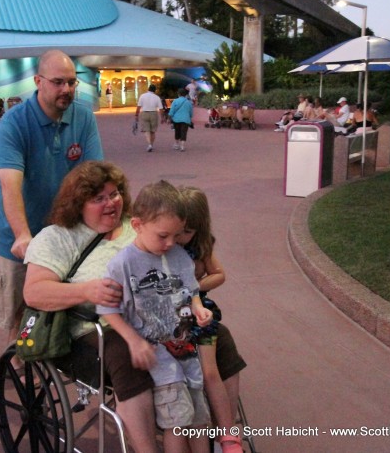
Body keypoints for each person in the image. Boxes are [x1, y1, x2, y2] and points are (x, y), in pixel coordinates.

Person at [23, 161, 247, 453]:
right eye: (99, 198)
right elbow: (34, 292)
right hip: (98, 328)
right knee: (130, 354)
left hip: (161, 318)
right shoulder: (57, 237)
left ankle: (221, 436)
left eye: (114, 194)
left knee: (220, 337)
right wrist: (86, 290)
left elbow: (184, 248)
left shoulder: (138, 223)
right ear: (78, 204)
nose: (111, 203)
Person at [0, 49, 104, 369]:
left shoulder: (82, 118)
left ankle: (24, 363)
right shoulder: (14, 123)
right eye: (58, 83)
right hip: (12, 231)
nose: (67, 90)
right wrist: (22, 235)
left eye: (72, 82)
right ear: (38, 82)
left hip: (59, 232)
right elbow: (10, 184)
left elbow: (95, 175)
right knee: (7, 301)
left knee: (35, 307)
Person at [98, 180, 212, 453]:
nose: (171, 243)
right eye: (163, 236)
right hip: (159, 358)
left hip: (186, 349)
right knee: (177, 423)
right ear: (137, 225)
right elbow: (107, 310)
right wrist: (133, 341)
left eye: (176, 235)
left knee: (200, 420)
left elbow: (191, 290)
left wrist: (198, 307)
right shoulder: (122, 264)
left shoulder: (178, 255)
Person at [177, 186, 244, 453]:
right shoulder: (165, 242)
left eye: (187, 231)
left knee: (209, 372)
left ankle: (226, 437)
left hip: (199, 313)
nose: (180, 237)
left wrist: (196, 286)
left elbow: (220, 274)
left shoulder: (200, 246)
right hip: (172, 315)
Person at [135, 84, 163, 152]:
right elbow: (161, 108)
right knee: (153, 131)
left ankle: (149, 144)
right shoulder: (157, 97)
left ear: (148, 89)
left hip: (144, 113)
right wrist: (162, 117)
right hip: (154, 113)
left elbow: (138, 106)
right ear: (155, 90)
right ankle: (151, 144)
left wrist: (136, 115)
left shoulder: (142, 96)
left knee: (146, 130)